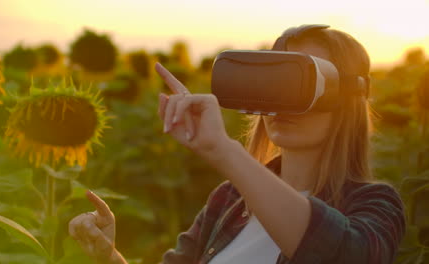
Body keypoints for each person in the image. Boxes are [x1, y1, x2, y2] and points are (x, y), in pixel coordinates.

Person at [68, 25, 406, 264]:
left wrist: (224, 151)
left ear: (347, 97)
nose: (281, 103)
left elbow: (344, 255)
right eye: (273, 82)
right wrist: (108, 256)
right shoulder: (229, 199)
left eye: (298, 84)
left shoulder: (374, 206)